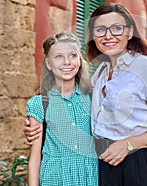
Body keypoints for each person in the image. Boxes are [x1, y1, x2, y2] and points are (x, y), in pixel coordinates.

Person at [25, 3, 147, 186]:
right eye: (100, 29)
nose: (108, 35)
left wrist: (129, 144)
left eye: (116, 28)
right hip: (104, 165)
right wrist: (37, 126)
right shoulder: (100, 73)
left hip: (142, 161)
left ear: (129, 31)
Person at [26, 32, 98, 186]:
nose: (67, 62)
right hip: (54, 178)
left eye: (72, 55)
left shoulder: (94, 98)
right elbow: (35, 158)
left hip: (90, 177)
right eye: (58, 56)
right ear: (48, 63)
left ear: (79, 60)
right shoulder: (40, 104)